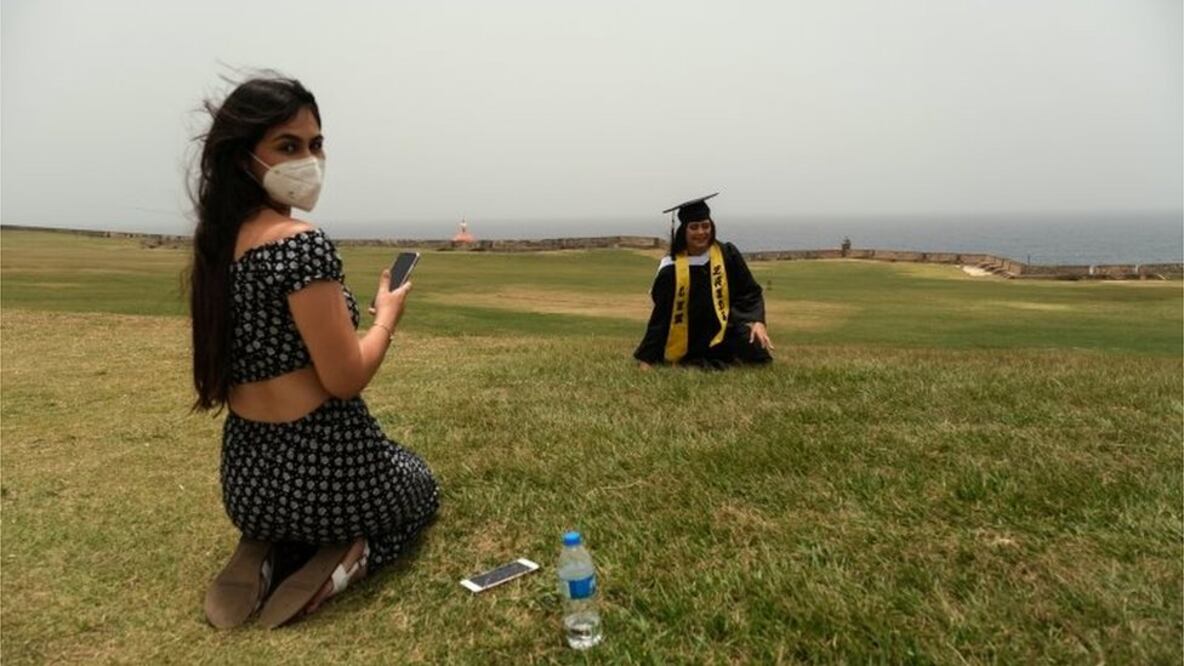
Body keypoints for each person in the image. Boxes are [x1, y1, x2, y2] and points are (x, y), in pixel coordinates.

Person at [188, 75, 439, 629]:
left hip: (247, 481)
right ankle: (347, 557)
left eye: (315, 144)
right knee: (420, 486)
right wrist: (387, 319)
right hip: (330, 471)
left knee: (291, 512)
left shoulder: (216, 246)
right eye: (288, 145)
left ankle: (268, 545)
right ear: (242, 156)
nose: (309, 160)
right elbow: (345, 378)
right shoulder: (300, 243)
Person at [634, 193, 774, 369]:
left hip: (724, 331)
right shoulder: (671, 268)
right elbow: (662, 316)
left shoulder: (727, 254)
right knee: (692, 362)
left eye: (705, 226)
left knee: (755, 349)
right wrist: (647, 359)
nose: (701, 232)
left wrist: (757, 321)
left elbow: (749, 291)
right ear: (683, 231)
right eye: (694, 227)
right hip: (688, 336)